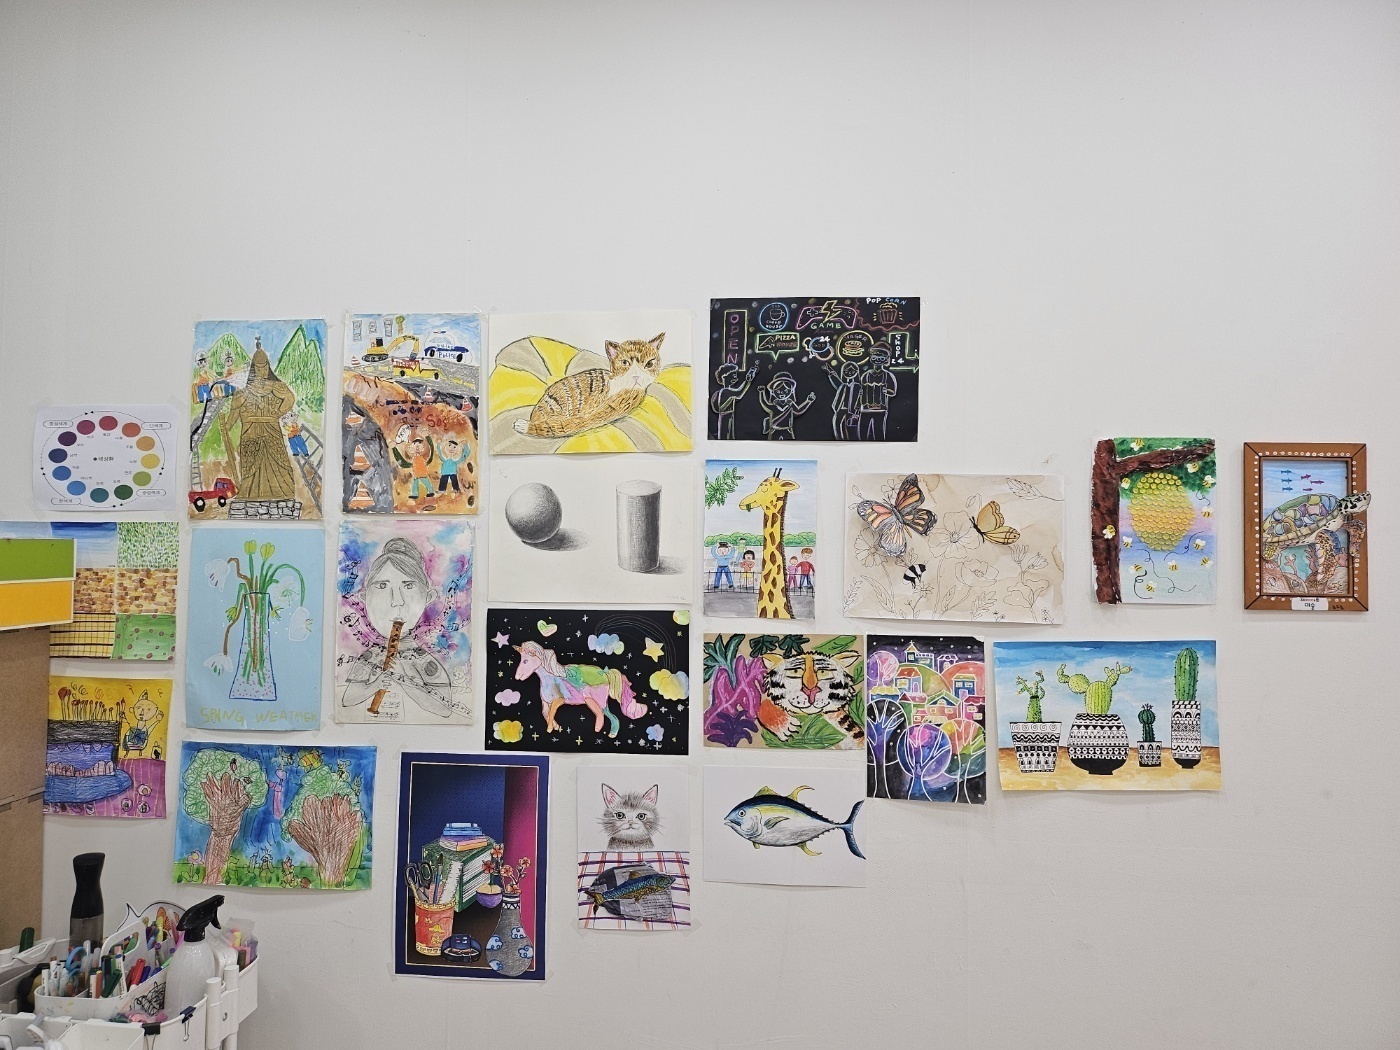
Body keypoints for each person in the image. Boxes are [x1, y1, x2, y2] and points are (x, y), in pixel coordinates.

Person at [340, 536, 454, 719]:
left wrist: (403, 678)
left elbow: (445, 708)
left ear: (428, 597)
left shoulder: (422, 660)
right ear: (364, 598)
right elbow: (348, 700)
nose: (397, 601)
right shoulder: (371, 657)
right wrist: (376, 685)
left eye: (408, 586)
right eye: (382, 586)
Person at [220, 347, 298, 503]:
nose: (262, 371)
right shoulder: (243, 392)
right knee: (250, 465)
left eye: (265, 367)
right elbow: (234, 414)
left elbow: (290, 398)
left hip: (271, 430)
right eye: (259, 367)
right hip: (250, 432)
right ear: (253, 369)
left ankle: (283, 492)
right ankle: (249, 493)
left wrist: (277, 412)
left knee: (279, 462)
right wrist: (226, 426)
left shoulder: (276, 386)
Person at [858, 345, 898, 440]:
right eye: (875, 357)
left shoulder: (888, 375)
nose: (878, 360)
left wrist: (886, 391)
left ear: (886, 359)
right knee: (863, 431)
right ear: (871, 358)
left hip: (881, 409)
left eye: (881, 358)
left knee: (879, 431)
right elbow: (860, 390)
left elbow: (893, 392)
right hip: (865, 409)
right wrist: (860, 394)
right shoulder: (866, 375)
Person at [759, 373, 815, 440]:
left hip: (787, 430)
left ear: (791, 391)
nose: (782, 393)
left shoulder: (791, 404)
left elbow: (798, 410)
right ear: (773, 392)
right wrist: (761, 392)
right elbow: (765, 404)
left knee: (790, 445)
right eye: (778, 391)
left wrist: (808, 401)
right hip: (774, 430)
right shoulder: (774, 405)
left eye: (785, 391)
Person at [710, 362, 758, 439]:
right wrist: (748, 380)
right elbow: (739, 393)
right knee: (726, 435)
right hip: (725, 417)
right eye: (733, 375)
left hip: (729, 416)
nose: (736, 377)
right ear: (725, 376)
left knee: (729, 435)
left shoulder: (726, 391)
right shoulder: (725, 391)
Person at [392, 430, 436, 502]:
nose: (417, 446)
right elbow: (402, 463)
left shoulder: (423, 458)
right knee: (415, 484)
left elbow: (431, 451)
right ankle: (415, 494)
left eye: (419, 445)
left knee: (426, 482)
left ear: (423, 448)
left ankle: (431, 491)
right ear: (410, 449)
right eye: (415, 444)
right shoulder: (414, 459)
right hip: (416, 474)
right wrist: (394, 449)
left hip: (423, 474)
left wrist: (428, 437)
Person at [825, 361, 861, 439]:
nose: (849, 373)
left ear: (856, 372)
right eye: (846, 371)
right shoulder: (843, 386)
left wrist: (856, 412)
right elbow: (837, 382)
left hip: (850, 412)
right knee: (837, 429)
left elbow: (859, 400)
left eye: (852, 371)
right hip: (839, 410)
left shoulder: (857, 386)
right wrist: (830, 372)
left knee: (848, 431)